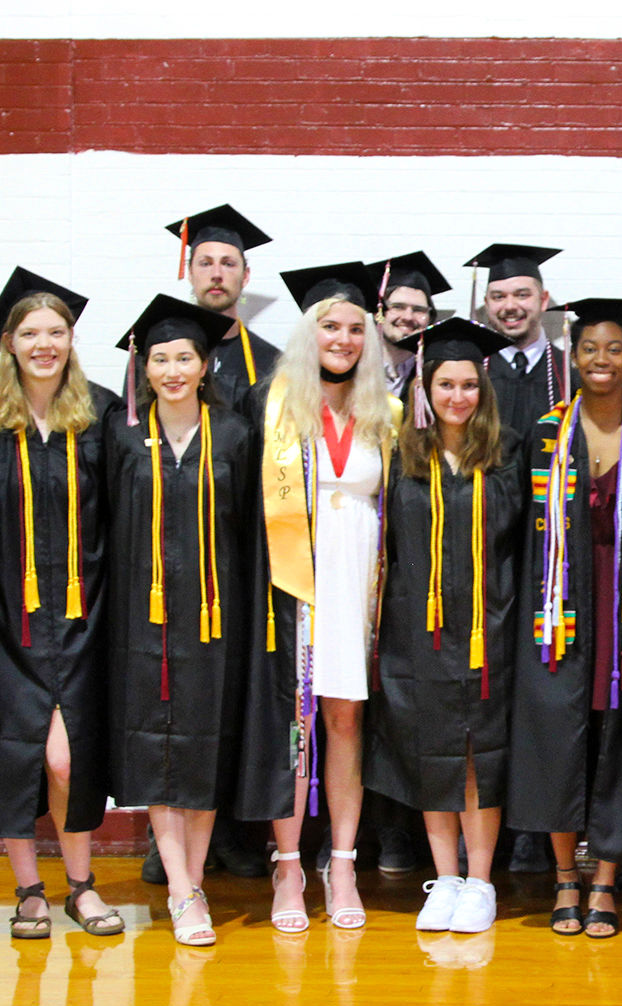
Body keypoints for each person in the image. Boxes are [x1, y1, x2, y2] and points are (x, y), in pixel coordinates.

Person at [508, 297, 622, 939]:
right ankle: (562, 878)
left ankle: (604, 881)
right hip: (558, 610)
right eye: (589, 349)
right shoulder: (548, 432)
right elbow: (527, 536)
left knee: (618, 746)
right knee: (558, 741)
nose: (601, 360)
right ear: (573, 357)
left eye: (613, 349)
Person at [0, 268, 125, 938]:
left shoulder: (103, 414)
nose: (44, 343)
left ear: (71, 340)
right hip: (7, 619)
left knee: (69, 756)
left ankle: (80, 885)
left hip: (83, 614)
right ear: (9, 342)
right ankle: (28, 887)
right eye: (30, 332)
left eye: (55, 331)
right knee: (16, 753)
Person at [241, 263, 401, 933]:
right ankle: (287, 866)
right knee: (292, 724)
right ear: (308, 333)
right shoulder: (267, 402)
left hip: (359, 577)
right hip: (290, 583)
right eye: (329, 326)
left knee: (343, 723)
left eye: (354, 328)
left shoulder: (387, 411)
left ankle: (341, 864)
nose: (341, 338)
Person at [104, 294, 255, 947]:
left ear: (204, 365)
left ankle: (191, 881)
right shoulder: (120, 437)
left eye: (183, 357)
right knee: (157, 753)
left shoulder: (236, 437)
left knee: (202, 751)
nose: (171, 368)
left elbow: (250, 532)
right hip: (141, 623)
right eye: (160, 357)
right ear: (146, 367)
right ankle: (179, 885)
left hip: (215, 622)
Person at [370, 317, 525, 934]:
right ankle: (447, 879)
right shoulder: (402, 455)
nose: (457, 396)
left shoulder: (509, 453)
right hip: (419, 630)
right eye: (444, 385)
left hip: (492, 623)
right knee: (432, 752)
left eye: (468, 385)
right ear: (424, 391)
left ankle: (482, 881)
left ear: (482, 391)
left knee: (478, 755)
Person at [360, 249, 451, 876]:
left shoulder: (439, 383)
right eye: (400, 308)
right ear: (380, 313)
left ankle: (403, 834)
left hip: (415, 564)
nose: (408, 318)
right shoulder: (355, 377)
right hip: (357, 555)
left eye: (420, 310)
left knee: (402, 700)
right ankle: (360, 832)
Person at [166, 204, 281, 412]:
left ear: (245, 275)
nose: (216, 274)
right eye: (205, 263)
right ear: (190, 272)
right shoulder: (161, 354)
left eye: (228, 264)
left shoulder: (271, 362)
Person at [465, 243, 569, 433]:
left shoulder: (569, 372)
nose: (510, 306)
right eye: (498, 297)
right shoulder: (470, 371)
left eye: (522, 295)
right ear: (487, 304)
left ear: (543, 300)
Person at [365, 251, 449, 400]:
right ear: (376, 312)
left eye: (418, 310)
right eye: (397, 307)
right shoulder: (354, 368)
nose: (408, 317)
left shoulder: (435, 372)